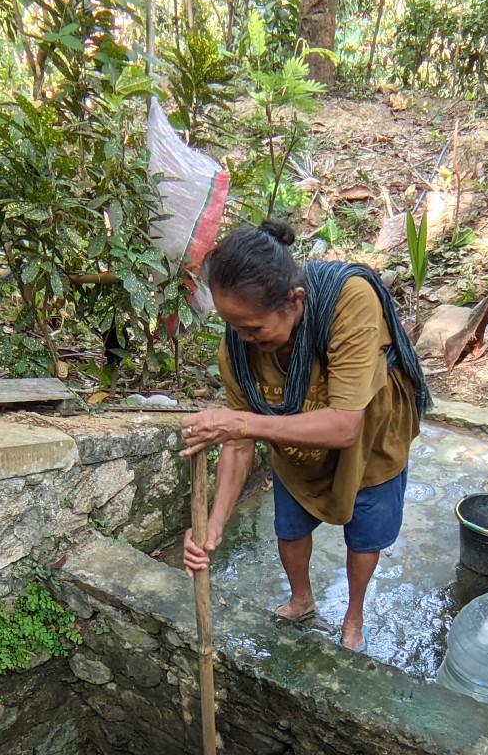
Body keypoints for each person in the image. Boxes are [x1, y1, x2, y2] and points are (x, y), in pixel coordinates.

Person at [180, 220, 431, 652]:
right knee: (290, 524)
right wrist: (211, 528)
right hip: (297, 442)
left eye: (254, 328)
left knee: (365, 530)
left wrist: (241, 422)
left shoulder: (350, 301)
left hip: (370, 433)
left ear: (295, 301)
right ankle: (302, 599)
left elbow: (344, 424)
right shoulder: (239, 346)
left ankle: (354, 617)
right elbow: (238, 445)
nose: (241, 339)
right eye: (232, 325)